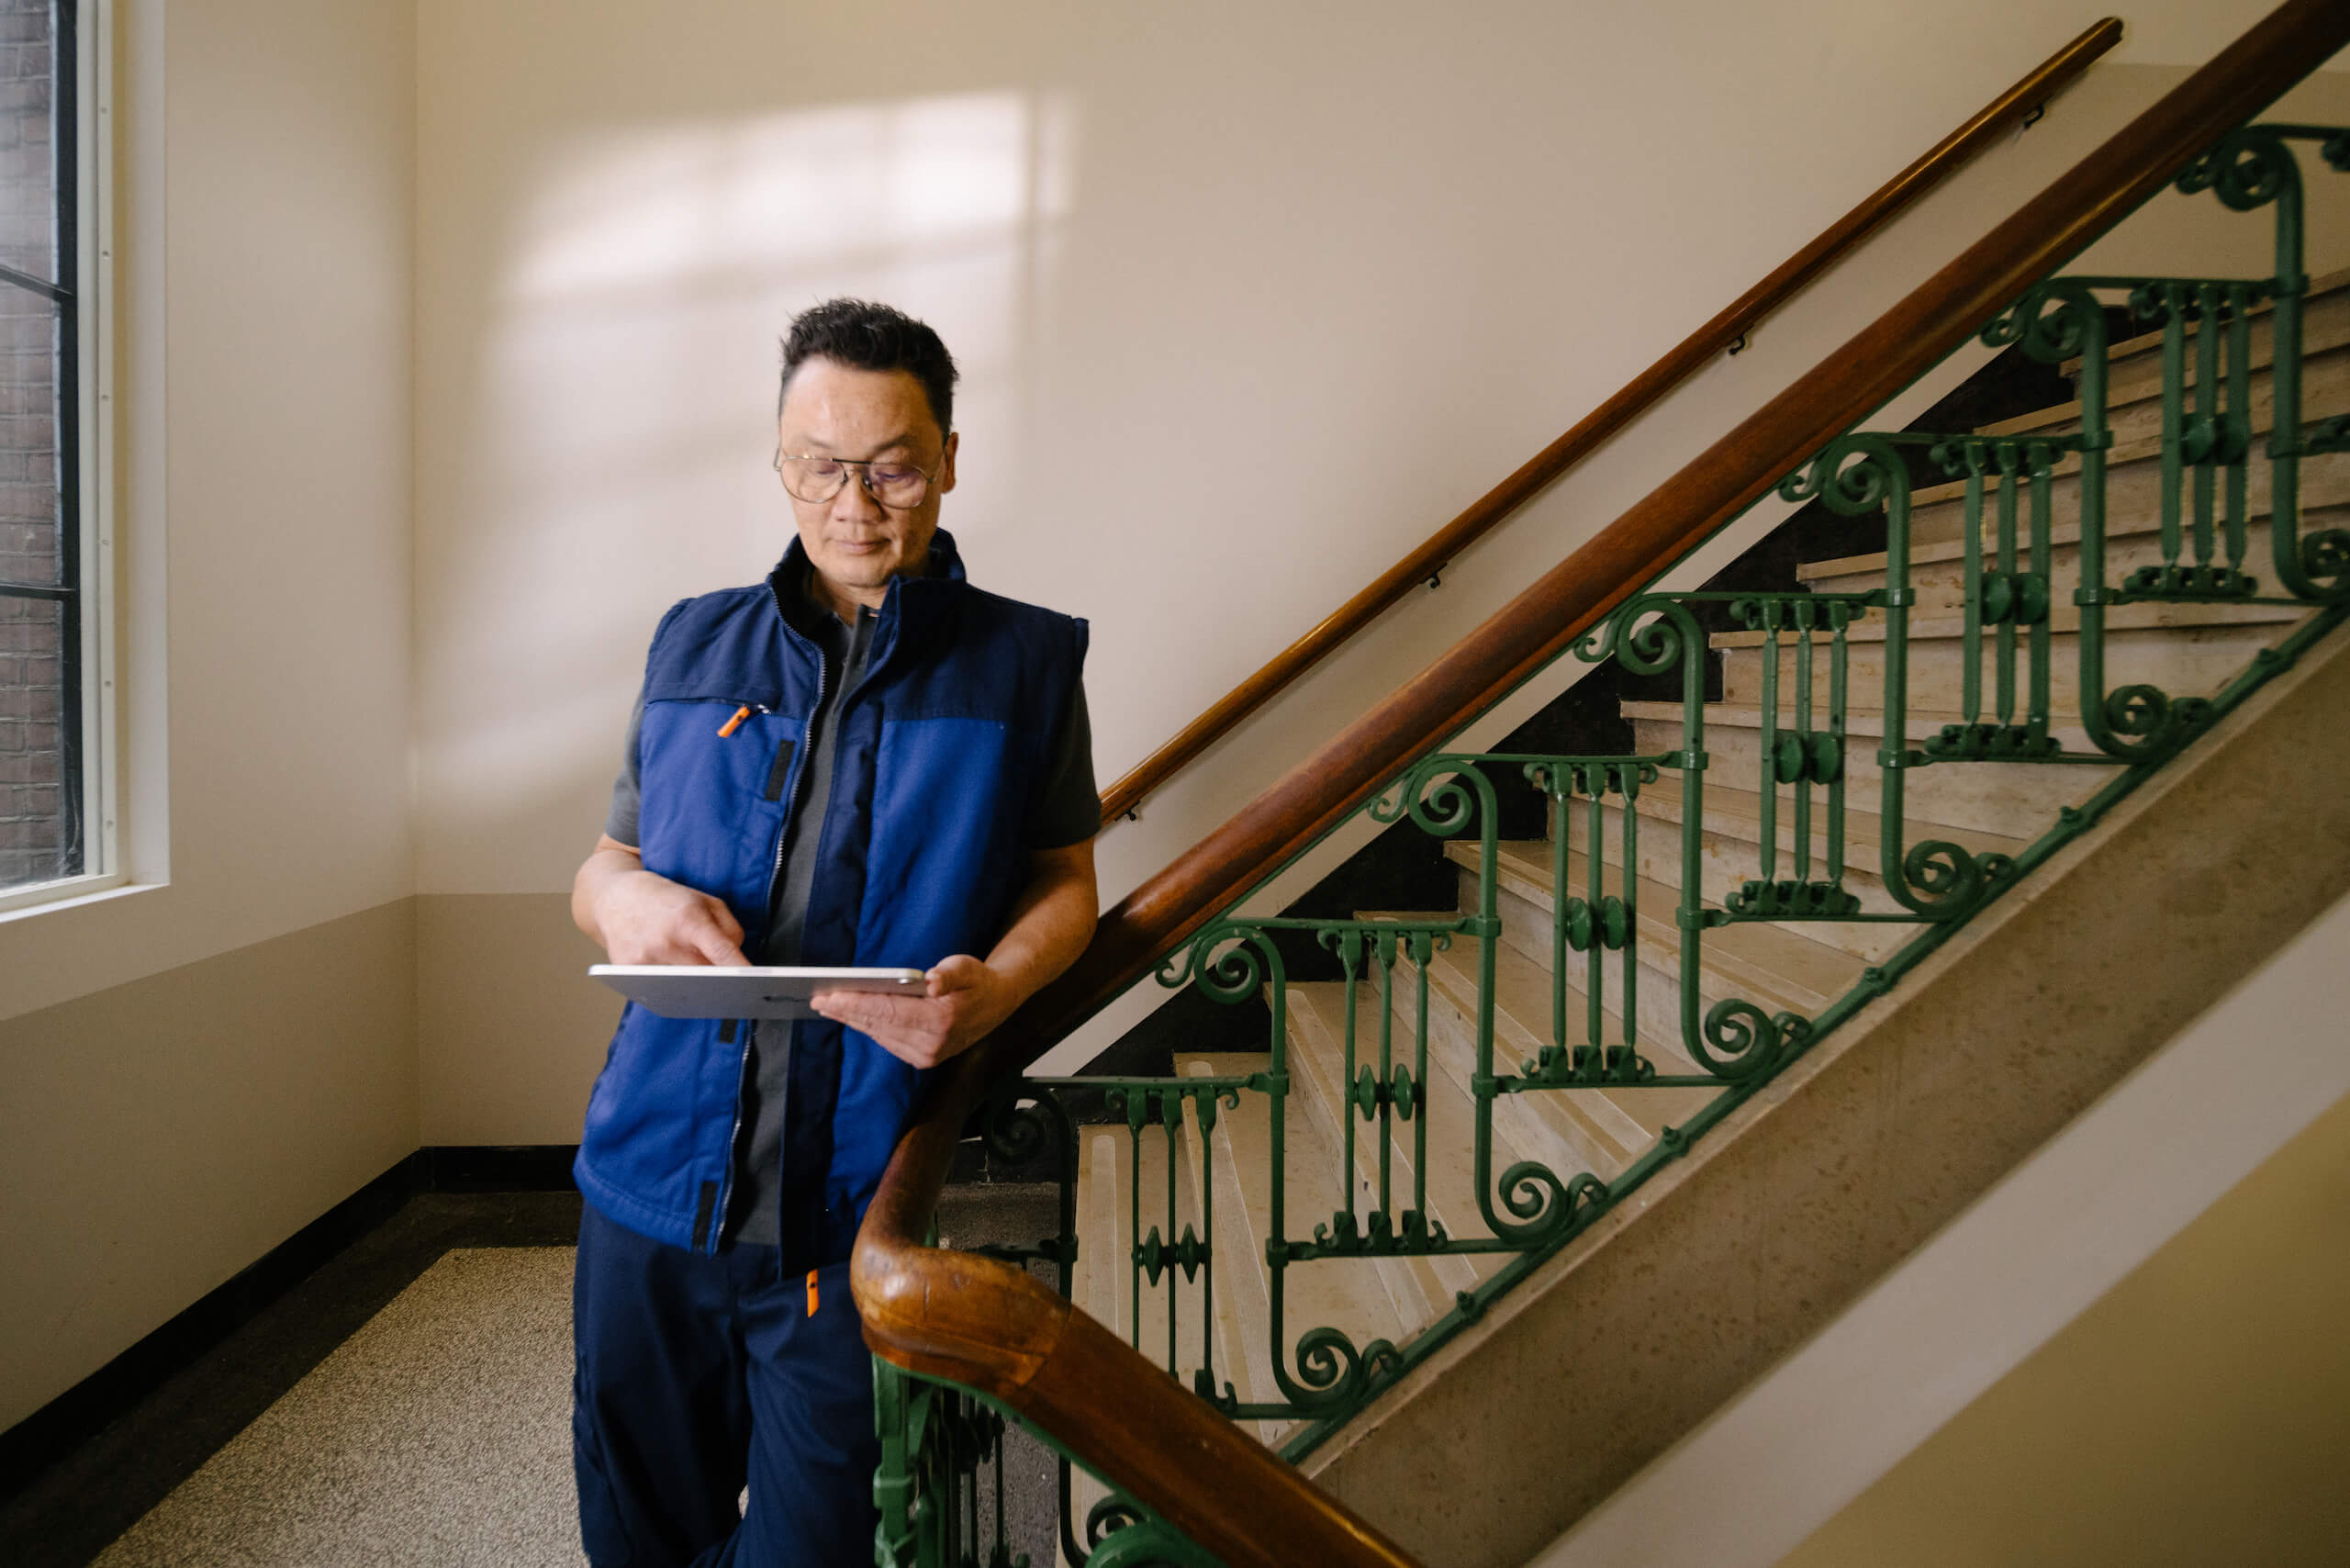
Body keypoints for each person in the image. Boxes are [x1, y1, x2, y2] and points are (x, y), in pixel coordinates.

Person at [566, 298, 1099, 1568]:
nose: (855, 501)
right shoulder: (692, 641)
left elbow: (1065, 884)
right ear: (780, 460)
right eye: (821, 465)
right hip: (647, 1185)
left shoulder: (1024, 663)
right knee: (638, 1531)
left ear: (951, 459)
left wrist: (998, 988)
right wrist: (627, 901)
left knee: (822, 1545)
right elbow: (606, 867)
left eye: (893, 465)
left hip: (852, 1201)